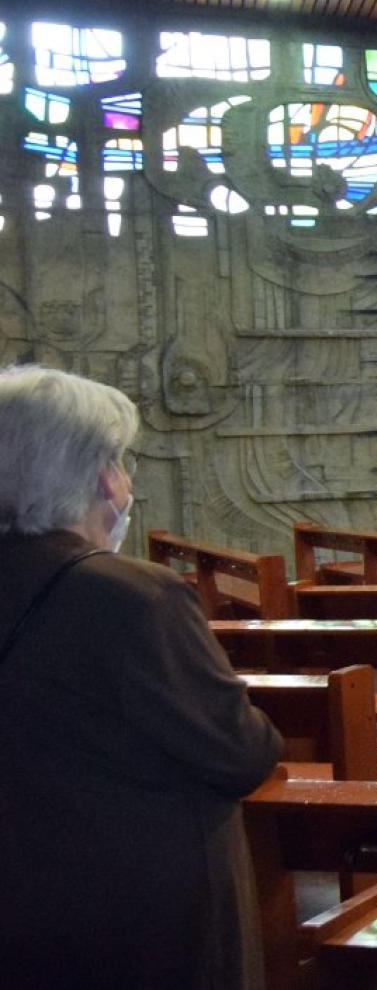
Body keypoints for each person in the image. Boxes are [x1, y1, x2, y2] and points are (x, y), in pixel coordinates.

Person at [0, 365, 284, 989]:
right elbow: (241, 754)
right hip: (134, 920)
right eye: (121, 463)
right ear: (101, 475)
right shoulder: (134, 597)